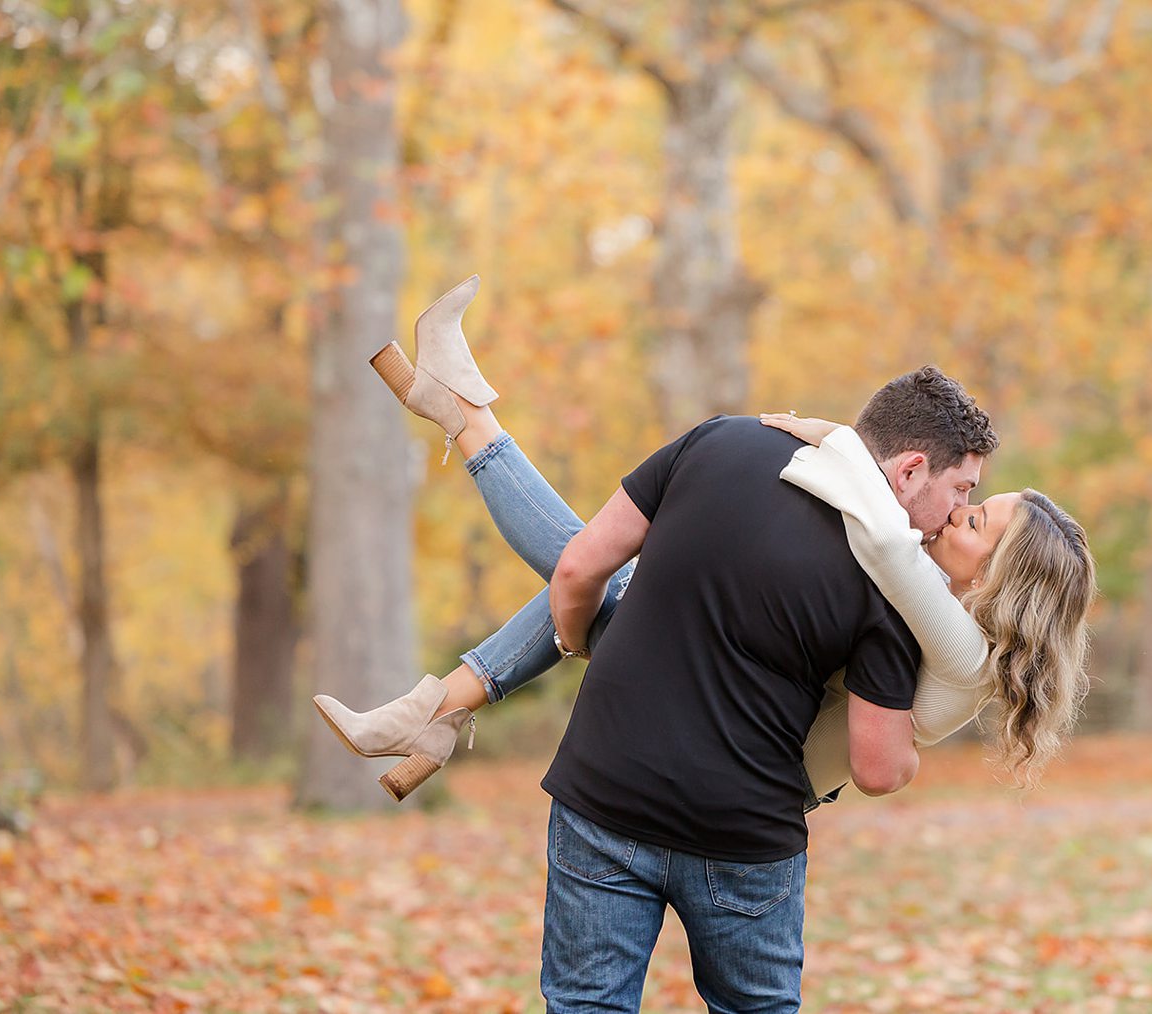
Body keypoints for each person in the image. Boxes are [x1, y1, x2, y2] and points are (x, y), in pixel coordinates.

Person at [313, 277, 1093, 1011]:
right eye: (966, 495)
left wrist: (587, 645)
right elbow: (879, 760)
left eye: (975, 513)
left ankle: (444, 662)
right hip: (742, 834)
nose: (959, 512)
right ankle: (462, 436)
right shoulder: (894, 600)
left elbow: (586, 562)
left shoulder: (764, 471)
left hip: (607, 795)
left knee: (605, 582)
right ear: (914, 465)